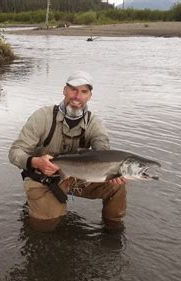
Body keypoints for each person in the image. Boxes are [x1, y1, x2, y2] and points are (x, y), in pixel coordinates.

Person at [8, 71, 127, 231]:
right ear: (64, 90)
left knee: (117, 186)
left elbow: (102, 149)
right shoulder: (42, 117)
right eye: (73, 89)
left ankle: (113, 230)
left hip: (78, 177)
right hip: (44, 178)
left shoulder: (95, 123)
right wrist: (35, 162)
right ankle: (39, 204)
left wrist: (111, 172)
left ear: (90, 96)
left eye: (84, 91)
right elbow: (15, 152)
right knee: (45, 227)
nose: (77, 96)